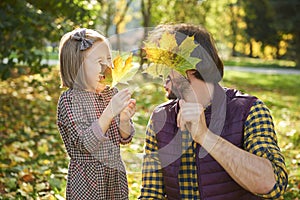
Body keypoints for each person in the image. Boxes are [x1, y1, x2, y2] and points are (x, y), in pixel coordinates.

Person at [140, 24, 288, 199]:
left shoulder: (249, 111)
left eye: (166, 67)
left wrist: (205, 136)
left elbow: (272, 184)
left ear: (191, 66)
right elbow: (151, 194)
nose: (162, 80)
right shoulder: (160, 118)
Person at [57, 28, 136, 199]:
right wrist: (109, 113)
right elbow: (85, 144)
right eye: (99, 61)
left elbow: (125, 138)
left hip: (114, 176)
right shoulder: (71, 100)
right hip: (87, 180)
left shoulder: (111, 94)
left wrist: (124, 120)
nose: (107, 66)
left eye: (108, 59)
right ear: (77, 67)